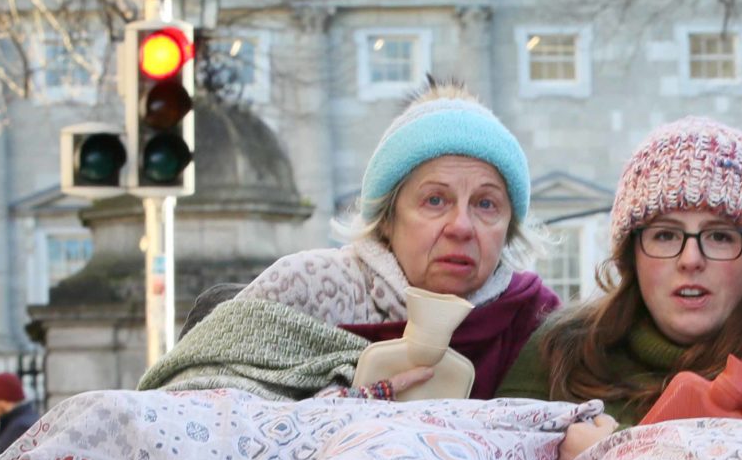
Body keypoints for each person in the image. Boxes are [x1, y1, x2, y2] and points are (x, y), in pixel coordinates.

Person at [232, 79, 559, 398]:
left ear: (508, 228)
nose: (461, 226)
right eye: (435, 200)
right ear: (387, 218)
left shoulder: (542, 323)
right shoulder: (303, 287)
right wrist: (340, 412)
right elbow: (205, 408)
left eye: (486, 204)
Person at [497, 118, 742, 460]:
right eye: (666, 235)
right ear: (632, 254)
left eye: (720, 236)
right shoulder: (561, 351)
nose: (690, 259)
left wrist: (617, 453)